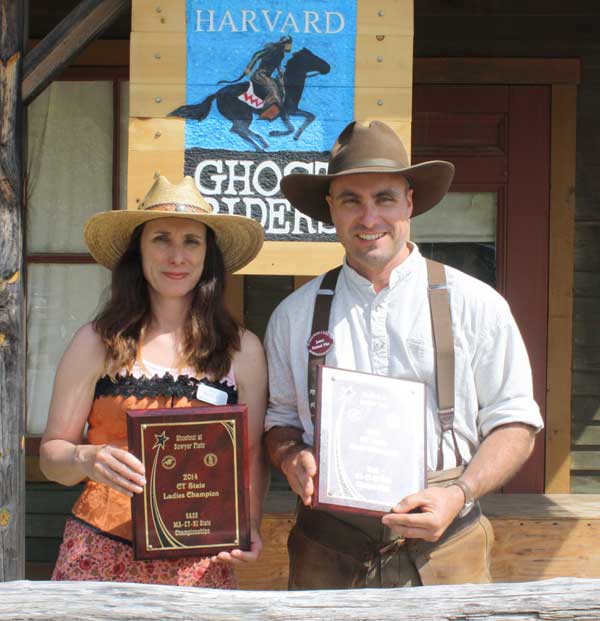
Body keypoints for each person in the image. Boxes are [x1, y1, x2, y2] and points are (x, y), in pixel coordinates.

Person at [263, 120, 544, 589]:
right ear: (331, 208)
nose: (368, 217)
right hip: (328, 544)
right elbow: (281, 420)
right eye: (351, 199)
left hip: (447, 545)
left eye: (385, 198)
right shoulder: (293, 315)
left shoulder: (476, 304)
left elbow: (515, 423)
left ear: (410, 202)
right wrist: (291, 457)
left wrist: (459, 493)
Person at [40, 175, 268, 587]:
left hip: (200, 560)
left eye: (191, 242)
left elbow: (249, 455)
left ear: (208, 255)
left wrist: (249, 522)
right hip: (100, 551)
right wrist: (85, 459)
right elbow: (51, 456)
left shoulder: (242, 349)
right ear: (139, 252)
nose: (176, 256)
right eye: (161, 239)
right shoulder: (96, 341)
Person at [243, 36, 293, 119]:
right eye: (289, 44)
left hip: (268, 76)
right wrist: (249, 68)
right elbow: (257, 55)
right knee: (273, 89)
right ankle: (265, 112)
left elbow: (277, 65)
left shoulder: (281, 54)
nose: (289, 47)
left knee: (281, 88)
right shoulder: (272, 49)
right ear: (285, 44)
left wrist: (281, 73)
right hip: (260, 75)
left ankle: (278, 108)